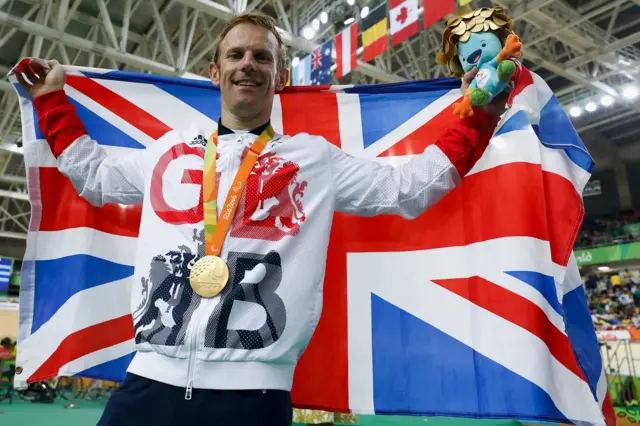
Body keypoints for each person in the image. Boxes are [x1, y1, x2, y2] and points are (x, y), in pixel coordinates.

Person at [15, 12, 506, 426]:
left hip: (254, 398)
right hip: (148, 385)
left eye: (262, 56)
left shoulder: (313, 160)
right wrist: (51, 100)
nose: (247, 64)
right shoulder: (170, 151)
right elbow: (95, 176)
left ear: (281, 77)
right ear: (215, 71)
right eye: (236, 55)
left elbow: (408, 189)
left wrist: (478, 116)